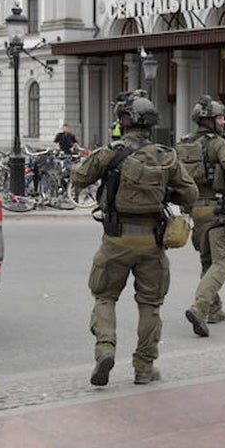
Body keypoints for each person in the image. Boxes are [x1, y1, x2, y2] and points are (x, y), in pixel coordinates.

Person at [70, 90, 198, 387]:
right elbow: (190, 193)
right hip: (153, 243)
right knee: (150, 305)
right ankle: (144, 367)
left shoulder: (110, 152)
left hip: (115, 240)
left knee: (105, 297)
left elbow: (78, 177)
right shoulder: (167, 156)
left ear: (124, 121)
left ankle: (105, 349)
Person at [178, 95, 225, 337]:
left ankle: (215, 308)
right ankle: (200, 307)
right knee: (224, 262)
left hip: (195, 211)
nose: (224, 121)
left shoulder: (183, 144)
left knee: (207, 261)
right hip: (219, 211)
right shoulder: (217, 144)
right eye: (220, 117)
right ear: (209, 120)